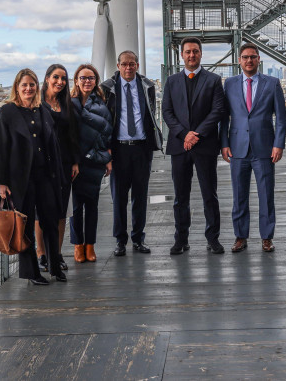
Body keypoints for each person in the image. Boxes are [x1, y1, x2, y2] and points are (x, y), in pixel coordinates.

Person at [0, 68, 66, 284]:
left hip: (45, 175)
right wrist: (2, 182)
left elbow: (52, 144)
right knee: (24, 226)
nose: (28, 88)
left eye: (32, 85)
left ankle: (55, 266)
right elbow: (1, 149)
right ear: (17, 87)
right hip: (19, 179)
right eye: (24, 85)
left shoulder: (42, 110)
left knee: (51, 221)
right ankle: (31, 272)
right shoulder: (6, 112)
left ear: (37, 87)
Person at [161, 37, 226, 255]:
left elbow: (217, 111)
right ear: (182, 55)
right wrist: (184, 134)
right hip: (180, 146)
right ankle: (181, 240)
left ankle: (213, 239)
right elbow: (167, 113)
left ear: (201, 54)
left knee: (210, 195)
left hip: (204, 145)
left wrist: (195, 134)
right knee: (181, 197)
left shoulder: (214, 80)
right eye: (188, 52)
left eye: (195, 51)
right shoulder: (171, 81)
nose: (192, 55)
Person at [219, 43, 286, 253]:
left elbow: (281, 119)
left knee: (266, 194)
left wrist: (278, 144)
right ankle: (240, 236)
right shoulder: (229, 84)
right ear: (239, 60)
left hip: (264, 149)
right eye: (245, 57)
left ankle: (267, 237)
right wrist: (224, 144)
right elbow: (224, 118)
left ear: (259, 60)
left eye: (253, 57)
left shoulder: (272, 83)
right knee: (239, 195)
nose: (249, 60)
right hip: (237, 148)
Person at [100, 51, 163, 257]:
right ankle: (120, 240)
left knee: (140, 195)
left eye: (132, 64)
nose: (129, 68)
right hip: (119, 149)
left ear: (137, 65)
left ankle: (138, 238)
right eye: (125, 64)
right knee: (119, 197)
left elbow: (150, 113)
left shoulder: (147, 86)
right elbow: (104, 120)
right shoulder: (107, 88)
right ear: (118, 65)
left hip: (141, 148)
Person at [36, 64, 80, 273]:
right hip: (42, 165)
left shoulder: (66, 104)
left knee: (61, 212)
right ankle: (41, 255)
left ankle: (57, 254)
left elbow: (72, 134)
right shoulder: (37, 103)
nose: (59, 82)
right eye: (55, 77)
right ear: (46, 78)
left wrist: (74, 162)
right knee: (41, 213)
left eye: (63, 78)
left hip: (63, 164)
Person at [69, 64, 113, 264]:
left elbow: (107, 133)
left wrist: (108, 158)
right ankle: (78, 245)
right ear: (76, 80)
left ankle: (90, 245)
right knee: (76, 207)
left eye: (91, 78)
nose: (87, 81)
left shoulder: (102, 105)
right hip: (75, 162)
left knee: (93, 206)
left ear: (96, 81)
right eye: (83, 77)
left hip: (94, 160)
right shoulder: (69, 104)